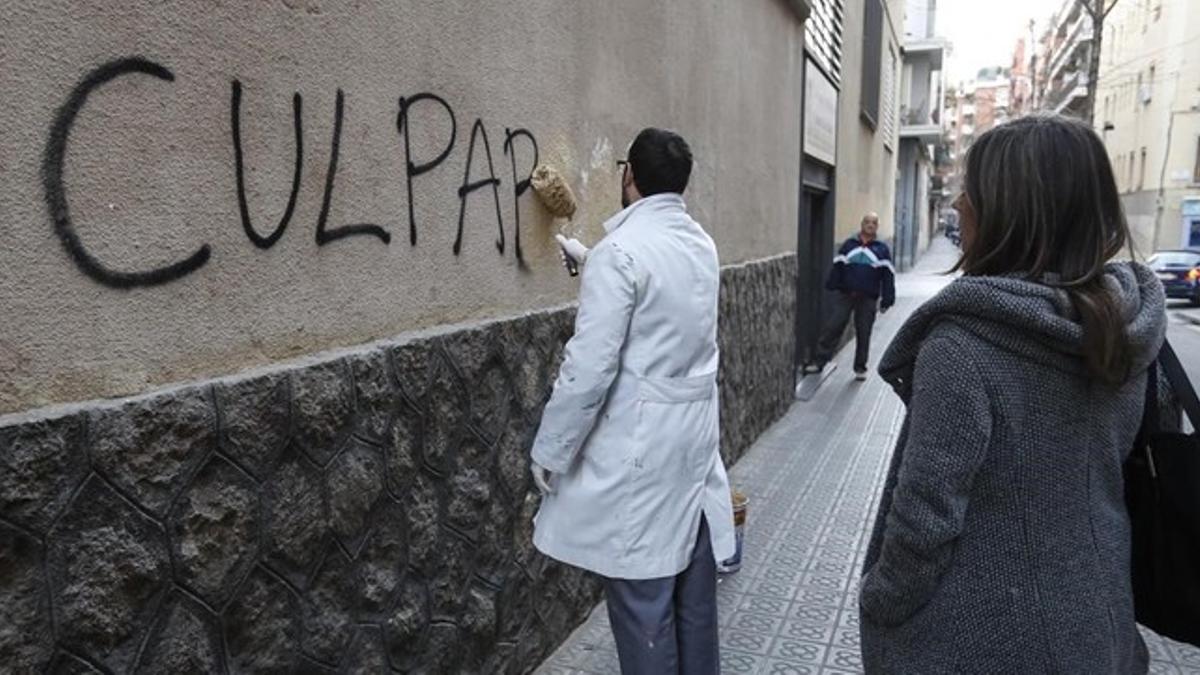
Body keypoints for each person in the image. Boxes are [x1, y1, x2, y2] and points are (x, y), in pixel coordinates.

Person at [859, 114, 1164, 674]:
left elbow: (924, 520)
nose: (958, 206)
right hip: (1099, 627)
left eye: (970, 192)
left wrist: (879, 599)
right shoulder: (1123, 327)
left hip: (974, 642)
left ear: (1010, 211)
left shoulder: (965, 344)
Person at [529, 128, 736, 675]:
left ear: (628, 176)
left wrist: (551, 450)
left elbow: (590, 369)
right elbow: (658, 291)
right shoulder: (700, 245)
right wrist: (589, 258)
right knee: (692, 600)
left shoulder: (621, 253)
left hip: (641, 456)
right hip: (691, 447)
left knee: (643, 608)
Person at [811, 213, 896, 381]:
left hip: (868, 298)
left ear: (877, 227)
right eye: (867, 222)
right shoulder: (849, 245)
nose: (870, 225)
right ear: (862, 224)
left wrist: (888, 298)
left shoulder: (882, 249)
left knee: (864, 332)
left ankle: (860, 367)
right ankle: (820, 361)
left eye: (874, 223)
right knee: (834, 326)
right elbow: (838, 266)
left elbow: (888, 275)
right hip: (846, 295)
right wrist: (832, 284)